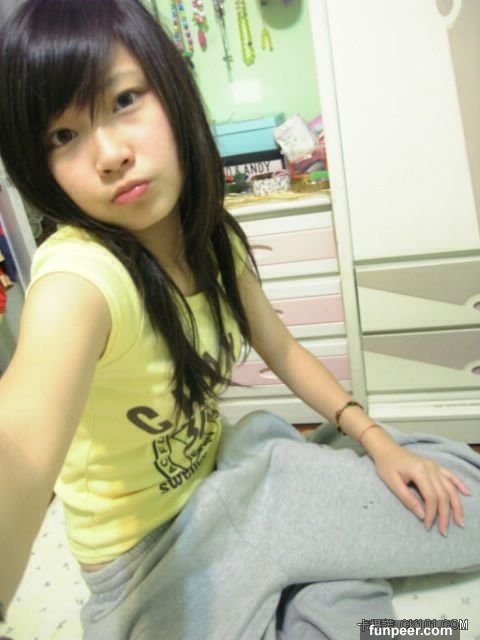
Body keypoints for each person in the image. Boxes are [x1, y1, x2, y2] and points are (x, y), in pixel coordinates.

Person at [0, 0, 478, 638]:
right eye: (64, 136)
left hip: (235, 472)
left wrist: (374, 437)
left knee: (454, 486)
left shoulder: (211, 237)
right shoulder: (79, 278)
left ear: (171, 89)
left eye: (124, 100)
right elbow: (19, 447)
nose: (109, 154)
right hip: (150, 560)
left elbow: (282, 347)